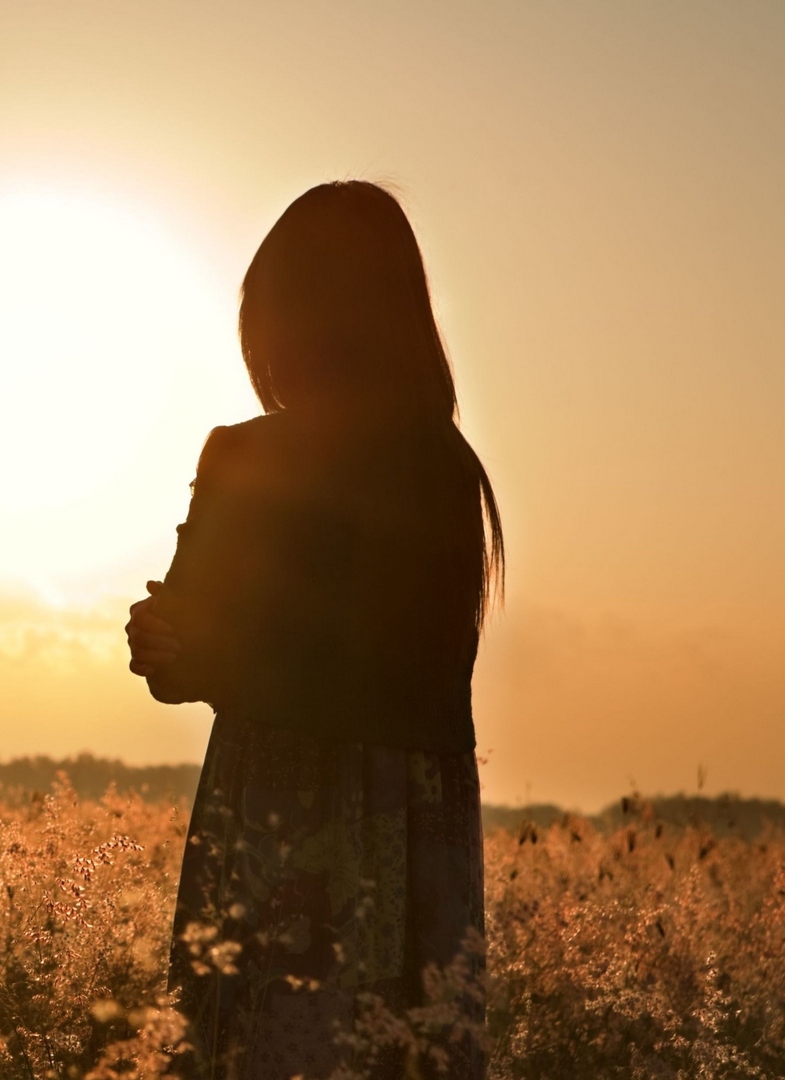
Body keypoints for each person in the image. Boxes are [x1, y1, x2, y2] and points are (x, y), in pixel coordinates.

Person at [126, 180, 503, 1080]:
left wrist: (212, 654)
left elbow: (394, 675)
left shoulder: (434, 468)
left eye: (284, 302)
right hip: (288, 809)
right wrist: (163, 642)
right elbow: (195, 641)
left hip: (350, 818)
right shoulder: (240, 454)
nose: (269, 331)